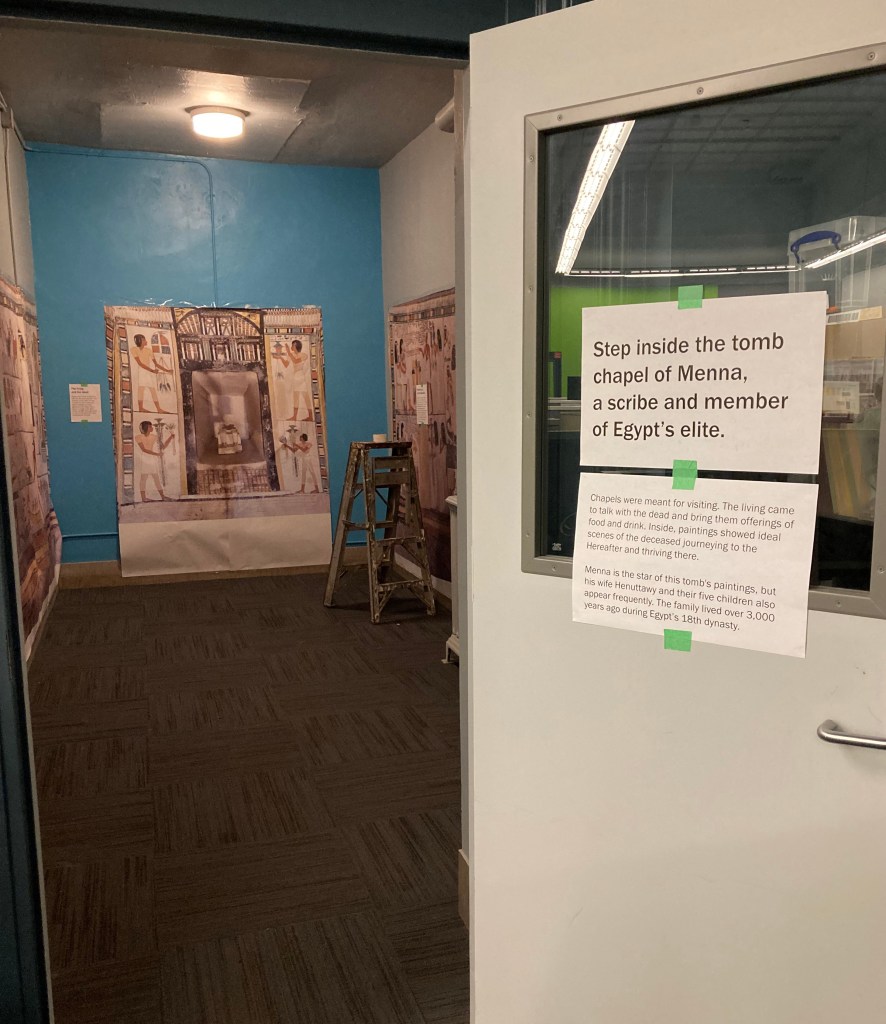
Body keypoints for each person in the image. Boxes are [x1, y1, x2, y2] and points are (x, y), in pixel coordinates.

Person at [132, 334, 173, 414]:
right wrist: (152, 371)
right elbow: (140, 363)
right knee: (142, 389)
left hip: (147, 371)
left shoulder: (148, 350)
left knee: (151, 390)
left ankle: (158, 409)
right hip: (142, 371)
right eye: (144, 340)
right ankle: (142, 408)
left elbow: (156, 364)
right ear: (140, 341)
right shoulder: (134, 349)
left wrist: (167, 370)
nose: (146, 341)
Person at [135, 420, 175, 501]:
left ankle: (163, 496)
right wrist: (157, 454)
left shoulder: (154, 436)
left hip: (151, 459)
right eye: (150, 426)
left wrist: (171, 437)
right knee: (143, 479)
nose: (152, 427)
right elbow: (144, 450)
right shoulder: (138, 437)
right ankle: (143, 498)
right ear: (146, 427)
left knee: (156, 478)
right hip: (144, 459)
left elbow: (163, 446)